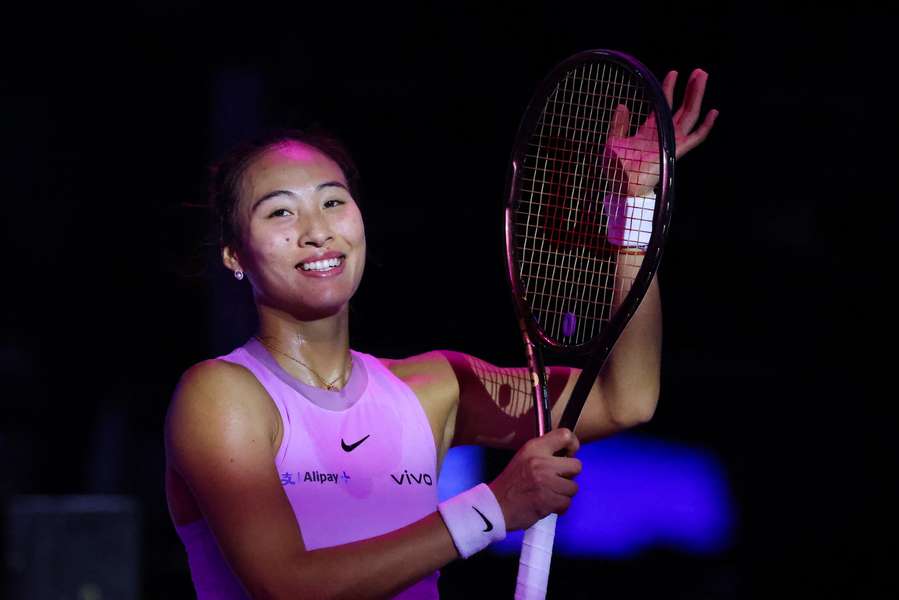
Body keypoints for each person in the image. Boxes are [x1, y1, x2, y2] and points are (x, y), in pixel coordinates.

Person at [165, 68, 717, 599]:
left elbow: (627, 400)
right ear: (235, 254)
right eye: (281, 213)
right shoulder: (220, 396)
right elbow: (287, 588)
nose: (317, 231)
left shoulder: (433, 387)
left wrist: (635, 207)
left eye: (333, 202)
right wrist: (491, 510)